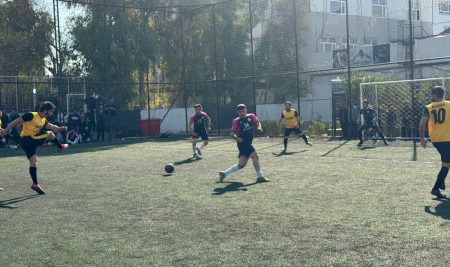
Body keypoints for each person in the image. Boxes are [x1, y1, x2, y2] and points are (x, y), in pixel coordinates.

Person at [0, 101, 69, 194]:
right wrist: (6, 130)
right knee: (50, 134)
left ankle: (35, 184)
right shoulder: (31, 115)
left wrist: (61, 128)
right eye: (51, 111)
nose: (52, 113)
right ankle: (60, 146)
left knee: (33, 161)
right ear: (45, 110)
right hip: (28, 139)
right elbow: (15, 122)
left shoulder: (43, 120)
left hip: (28, 142)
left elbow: (53, 127)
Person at [219, 104, 269, 183]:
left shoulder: (251, 116)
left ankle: (224, 173)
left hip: (247, 143)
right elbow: (231, 133)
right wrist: (237, 138)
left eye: (243, 111)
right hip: (242, 143)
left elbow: (257, 122)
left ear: (246, 110)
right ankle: (260, 176)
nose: (242, 113)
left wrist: (259, 127)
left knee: (242, 164)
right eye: (240, 112)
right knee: (255, 156)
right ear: (238, 112)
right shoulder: (237, 121)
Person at [419, 86, 450, 198]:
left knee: (446, 161)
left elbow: (422, 124)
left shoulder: (428, 107)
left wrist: (422, 138)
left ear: (433, 95)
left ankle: (441, 181)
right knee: (447, 163)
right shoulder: (449, 104)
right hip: (447, 139)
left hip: (436, 140)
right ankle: (436, 188)